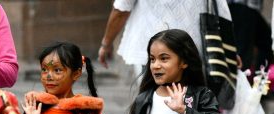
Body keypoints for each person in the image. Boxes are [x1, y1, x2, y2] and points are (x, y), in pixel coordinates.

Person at [98, 0, 232, 79]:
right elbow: (221, 10)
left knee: (153, 104)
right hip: (193, 48)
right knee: (191, 105)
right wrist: (230, 50)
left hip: (154, 49)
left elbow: (121, 10)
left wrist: (106, 44)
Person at [227, 0, 273, 72]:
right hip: (239, 6)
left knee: (266, 42)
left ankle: (261, 76)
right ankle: (239, 77)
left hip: (252, 9)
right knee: (243, 49)